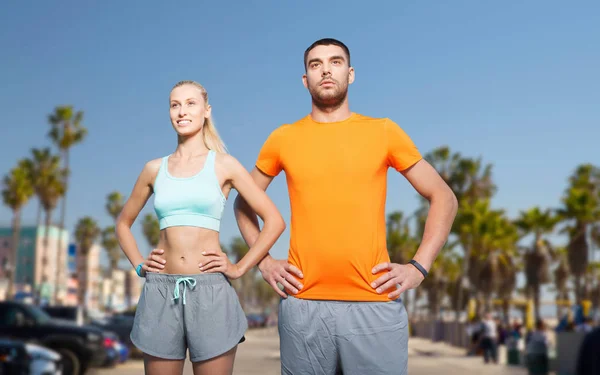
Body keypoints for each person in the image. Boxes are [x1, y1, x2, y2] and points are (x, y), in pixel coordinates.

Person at [148, 38, 458, 374]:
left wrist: (418, 267)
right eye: (315, 64)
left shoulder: (384, 131)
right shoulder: (283, 138)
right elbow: (242, 206)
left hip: (375, 306)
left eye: (335, 62)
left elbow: (444, 197)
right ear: (305, 80)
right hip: (303, 309)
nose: (326, 70)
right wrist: (264, 263)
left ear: (350, 74)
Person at [115, 80, 286, 375]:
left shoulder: (225, 165)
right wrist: (140, 265)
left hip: (210, 293)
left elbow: (275, 221)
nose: (182, 111)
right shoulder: (154, 169)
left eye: (190, 103)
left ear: (206, 111)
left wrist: (239, 267)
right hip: (160, 292)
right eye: (175, 105)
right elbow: (122, 224)